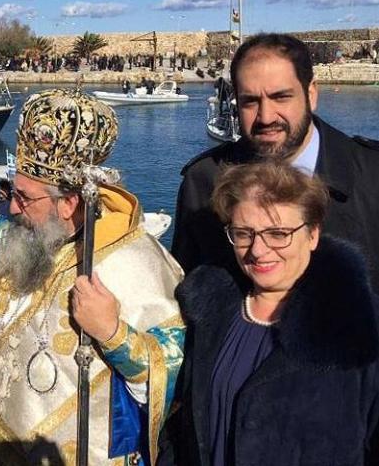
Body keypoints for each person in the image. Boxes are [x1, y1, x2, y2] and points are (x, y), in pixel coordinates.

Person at [0, 89, 184, 465]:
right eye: (12, 192)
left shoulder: (136, 261)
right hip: (0, 442)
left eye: (24, 197)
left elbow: (173, 371)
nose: (13, 208)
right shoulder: (20, 236)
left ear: (69, 203)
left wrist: (114, 335)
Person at [160, 161, 379, 465]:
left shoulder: (361, 323)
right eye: (243, 233)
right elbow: (182, 423)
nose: (258, 250)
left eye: (278, 233)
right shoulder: (208, 311)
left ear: (313, 235)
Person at [172, 33, 379, 292]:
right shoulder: (203, 182)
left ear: (311, 94)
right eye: (250, 101)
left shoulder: (372, 175)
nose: (266, 117)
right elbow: (187, 293)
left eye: (281, 97)